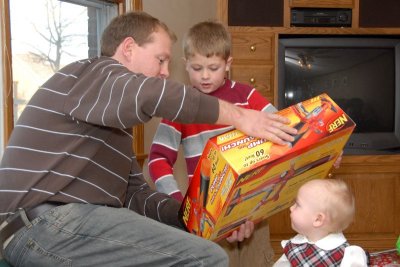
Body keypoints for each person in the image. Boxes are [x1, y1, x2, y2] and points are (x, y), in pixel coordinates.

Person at [0, 11, 297, 266]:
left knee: (193, 249)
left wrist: (198, 218)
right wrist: (243, 117)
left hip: (53, 231)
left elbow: (136, 196)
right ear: (128, 48)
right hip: (44, 225)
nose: (166, 72)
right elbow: (152, 94)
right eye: (161, 60)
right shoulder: (93, 73)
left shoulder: (110, 125)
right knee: (206, 258)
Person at [148, 21, 278, 266]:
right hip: (206, 220)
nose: (205, 76)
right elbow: (157, 160)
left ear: (228, 64)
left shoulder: (247, 96)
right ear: (185, 64)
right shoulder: (180, 106)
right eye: (197, 68)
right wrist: (180, 206)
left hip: (253, 213)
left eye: (213, 67)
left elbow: (285, 127)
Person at [273, 179, 368, 267]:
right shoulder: (293, 246)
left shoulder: (346, 256)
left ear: (318, 219)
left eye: (298, 204)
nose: (291, 208)